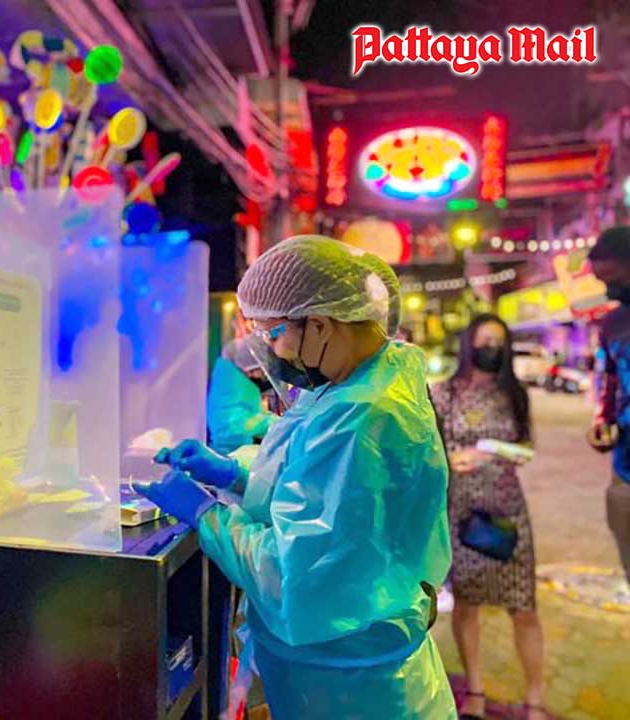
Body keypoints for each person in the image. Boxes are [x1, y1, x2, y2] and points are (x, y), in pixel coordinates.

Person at [139, 236, 455, 719]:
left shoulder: (361, 416)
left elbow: (289, 573)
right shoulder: (364, 380)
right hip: (357, 659)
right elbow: (324, 494)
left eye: (274, 333)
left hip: (351, 685)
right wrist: (237, 476)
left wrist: (206, 515)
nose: (271, 350)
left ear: (321, 325)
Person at [430, 314, 545, 720]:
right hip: (462, 512)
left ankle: (535, 698)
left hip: (507, 510)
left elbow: (526, 448)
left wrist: (496, 451)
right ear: (468, 345)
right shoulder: (443, 394)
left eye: (499, 342)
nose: (491, 349)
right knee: (467, 603)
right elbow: (429, 451)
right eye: (484, 341)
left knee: (524, 607)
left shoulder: (514, 394)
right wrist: (452, 460)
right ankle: (475, 691)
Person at [587, 226, 630, 583]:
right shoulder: (613, 322)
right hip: (625, 464)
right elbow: (611, 381)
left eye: (614, 279)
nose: (609, 289)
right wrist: (603, 420)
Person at [207, 339, 275, 455]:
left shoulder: (231, 377)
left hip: (234, 449)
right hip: (229, 453)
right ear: (251, 367)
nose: (263, 375)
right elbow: (240, 423)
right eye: (261, 369)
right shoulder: (232, 383)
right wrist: (276, 422)